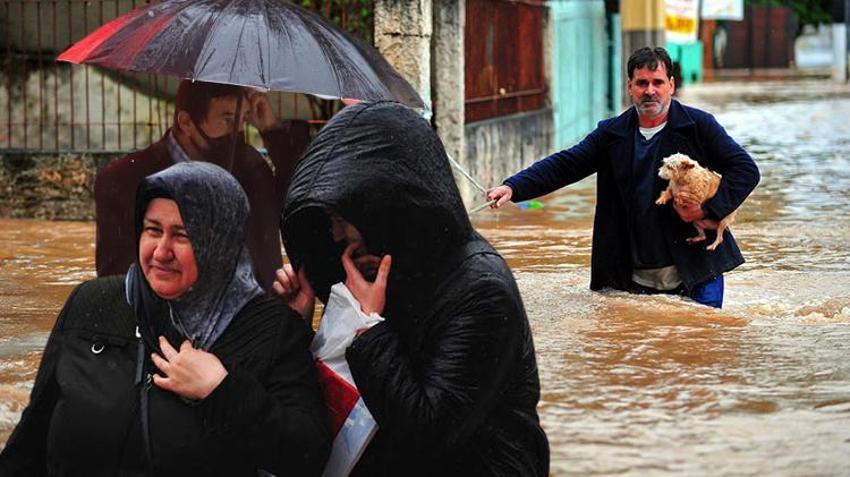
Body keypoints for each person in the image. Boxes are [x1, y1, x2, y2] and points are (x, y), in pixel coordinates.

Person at [0, 162, 330, 475]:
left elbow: (306, 457)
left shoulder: (271, 329)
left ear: (220, 241)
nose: (161, 251)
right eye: (152, 230)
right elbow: (31, 441)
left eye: (182, 235)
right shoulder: (93, 302)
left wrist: (221, 391)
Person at [278, 101, 550, 476]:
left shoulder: (482, 290)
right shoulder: (385, 270)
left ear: (386, 208)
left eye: (344, 220)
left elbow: (425, 431)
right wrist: (297, 325)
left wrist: (370, 327)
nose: (337, 235)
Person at [487, 46, 760, 308]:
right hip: (633, 274)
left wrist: (707, 210)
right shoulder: (612, 134)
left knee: (699, 343)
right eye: (642, 83)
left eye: (658, 82)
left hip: (698, 267)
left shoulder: (698, 126)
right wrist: (514, 187)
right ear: (629, 87)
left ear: (672, 86)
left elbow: (746, 170)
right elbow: (566, 164)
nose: (650, 91)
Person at [95, 79, 312, 291]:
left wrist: (272, 131)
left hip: (253, 317)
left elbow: (298, 207)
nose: (237, 131)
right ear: (186, 123)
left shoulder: (252, 169)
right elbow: (115, 283)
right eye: (227, 119)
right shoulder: (123, 181)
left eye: (242, 119)